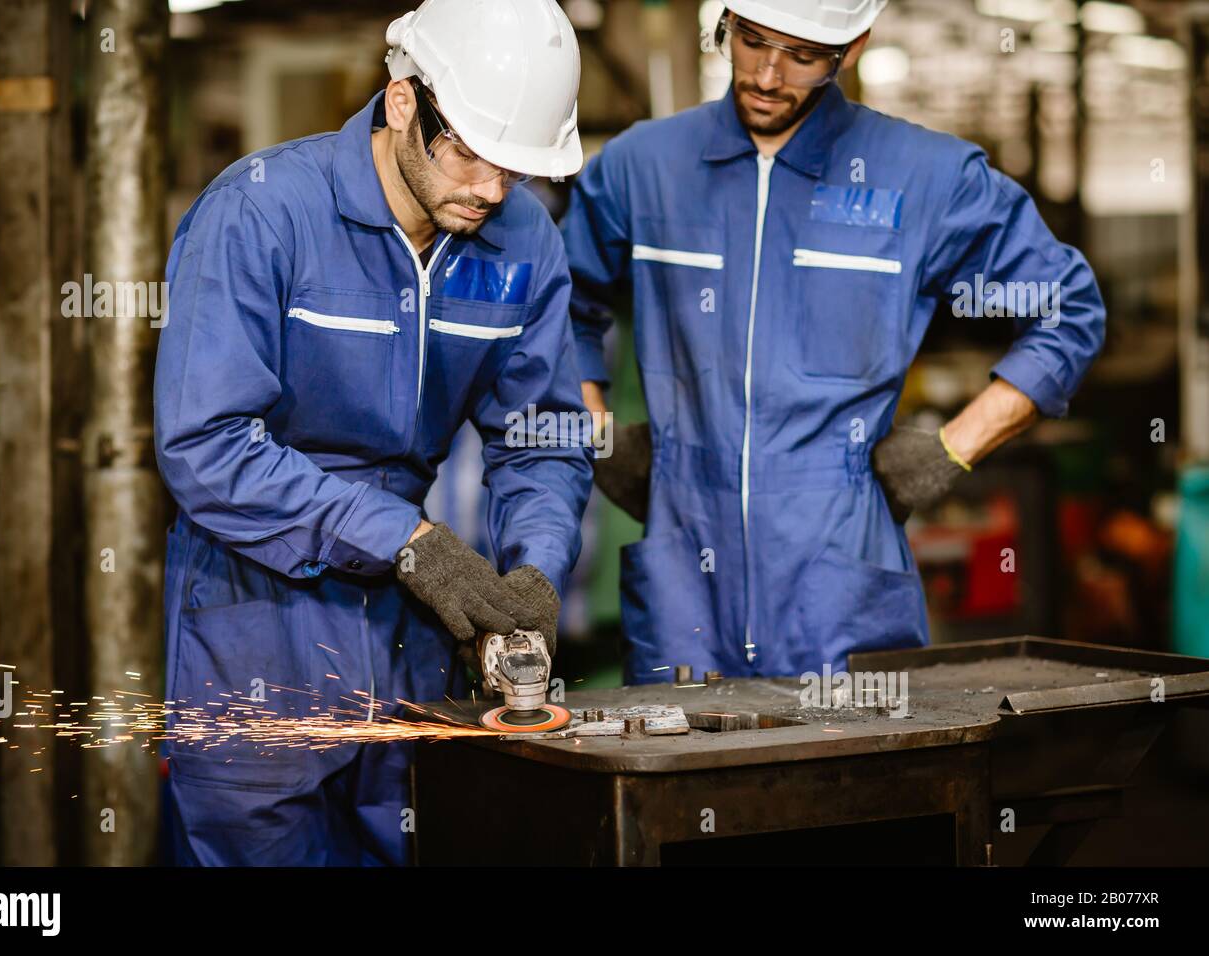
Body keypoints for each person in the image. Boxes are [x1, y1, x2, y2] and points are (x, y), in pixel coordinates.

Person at [154, 0, 589, 865]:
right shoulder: (261, 215)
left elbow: (539, 434)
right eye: (469, 151)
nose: (491, 190)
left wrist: (536, 566)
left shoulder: (520, 241)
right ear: (402, 102)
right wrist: (406, 539)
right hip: (253, 620)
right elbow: (204, 445)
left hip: (410, 633)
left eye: (515, 168)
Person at [563, 0, 1105, 683]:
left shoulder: (922, 176)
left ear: (853, 46)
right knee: (680, 777)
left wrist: (951, 450)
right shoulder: (644, 166)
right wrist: (598, 432)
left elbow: (1068, 309)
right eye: (750, 40)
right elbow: (560, 304)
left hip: (841, 581)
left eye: (802, 55)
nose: (765, 74)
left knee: (846, 783)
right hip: (683, 576)